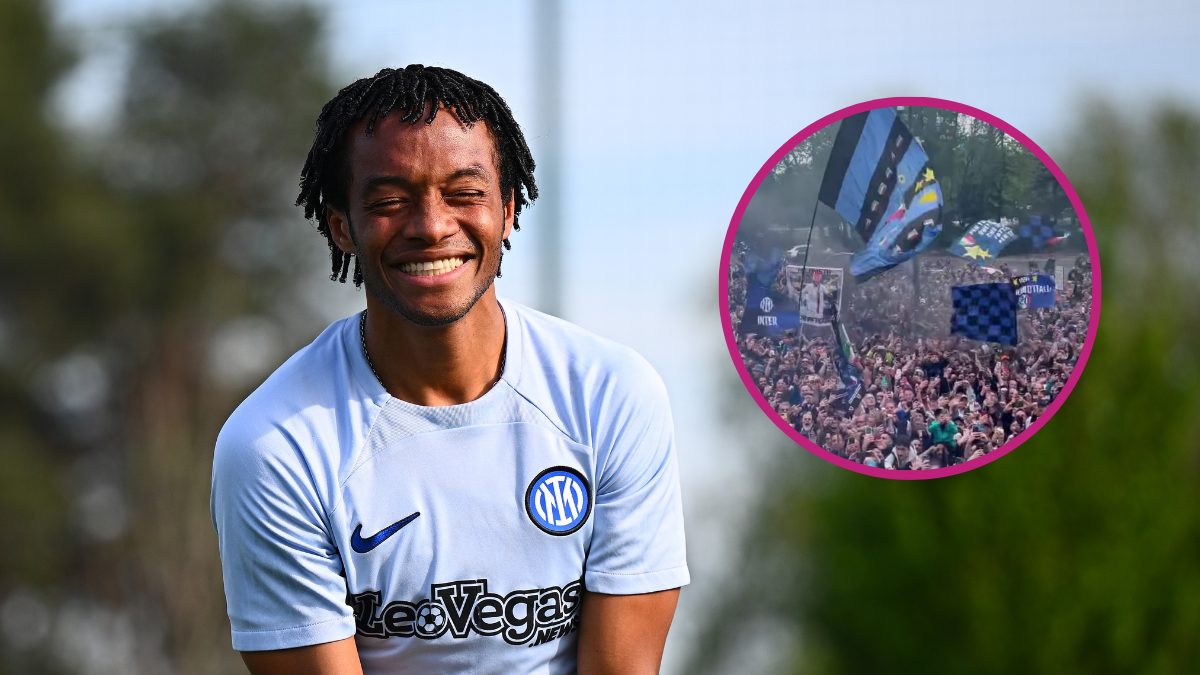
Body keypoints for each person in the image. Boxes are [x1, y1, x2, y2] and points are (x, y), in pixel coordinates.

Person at [210, 65, 687, 675]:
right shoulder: (273, 446)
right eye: (388, 201)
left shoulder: (611, 395)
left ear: (508, 211)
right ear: (340, 227)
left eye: (464, 193)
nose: (432, 226)